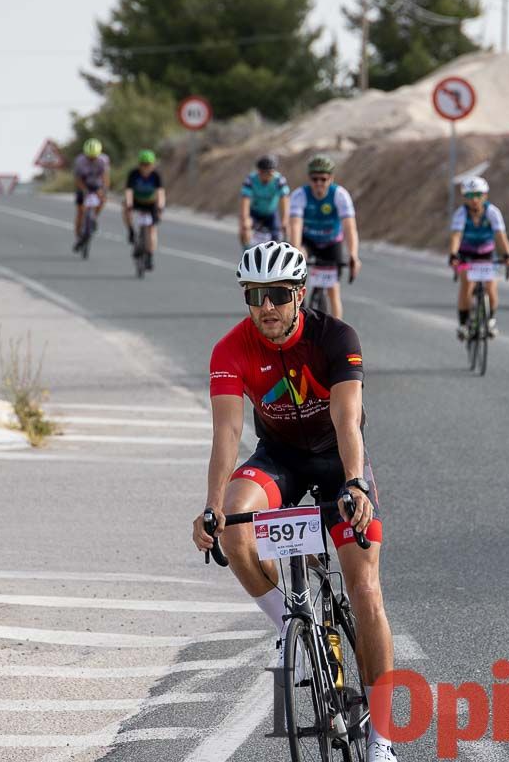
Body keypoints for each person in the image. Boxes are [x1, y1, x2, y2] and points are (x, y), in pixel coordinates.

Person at [193, 241, 398, 761]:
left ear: (300, 294)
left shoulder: (336, 338)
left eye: (278, 295)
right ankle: (289, 623)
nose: (266, 307)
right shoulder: (229, 349)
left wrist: (355, 484)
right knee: (238, 522)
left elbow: (347, 420)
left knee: (366, 589)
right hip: (280, 456)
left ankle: (382, 739)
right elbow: (226, 434)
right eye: (255, 295)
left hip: (336, 461)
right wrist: (214, 507)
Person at [287, 154, 359, 320]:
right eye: (314, 179)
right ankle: (297, 318)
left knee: (333, 290)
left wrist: (353, 255)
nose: (319, 183)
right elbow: (295, 225)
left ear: (331, 179)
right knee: (298, 272)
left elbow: (349, 226)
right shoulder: (300, 195)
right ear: (309, 179)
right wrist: (296, 251)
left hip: (331, 241)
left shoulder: (340, 195)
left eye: (323, 179)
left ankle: (338, 335)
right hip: (308, 241)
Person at [447, 176, 509, 340]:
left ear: (485, 195)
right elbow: (456, 236)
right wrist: (453, 255)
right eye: (470, 196)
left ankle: (490, 320)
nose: (474, 199)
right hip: (466, 255)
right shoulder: (461, 213)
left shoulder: (492, 212)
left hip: (487, 254)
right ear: (465, 198)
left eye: (478, 195)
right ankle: (463, 324)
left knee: (491, 287)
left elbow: (500, 235)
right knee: (467, 285)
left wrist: (508, 255)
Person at [124, 149, 165, 271]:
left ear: (153, 165)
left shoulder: (156, 175)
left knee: (152, 230)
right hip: (137, 200)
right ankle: (131, 230)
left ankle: (150, 256)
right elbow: (129, 191)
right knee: (125, 208)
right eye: (143, 164)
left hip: (151, 203)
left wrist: (160, 207)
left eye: (148, 165)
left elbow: (161, 193)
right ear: (139, 164)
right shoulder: (134, 174)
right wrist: (129, 204)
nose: (145, 167)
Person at [239, 154, 290, 248]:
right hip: (255, 212)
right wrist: (246, 219)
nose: (269, 176)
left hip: (271, 212)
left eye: (271, 173)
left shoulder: (279, 179)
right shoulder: (250, 179)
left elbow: (284, 199)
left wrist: (285, 219)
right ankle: (246, 255)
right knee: (244, 229)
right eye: (266, 173)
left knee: (284, 231)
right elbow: (245, 200)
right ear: (259, 171)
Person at [73, 138, 110, 252]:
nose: (92, 159)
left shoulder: (103, 160)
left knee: (102, 200)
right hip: (83, 184)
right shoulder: (80, 161)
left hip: (96, 185)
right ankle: (79, 236)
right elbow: (77, 179)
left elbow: (105, 177)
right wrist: (84, 190)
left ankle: (94, 217)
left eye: (94, 157)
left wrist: (103, 191)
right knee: (80, 211)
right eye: (89, 157)